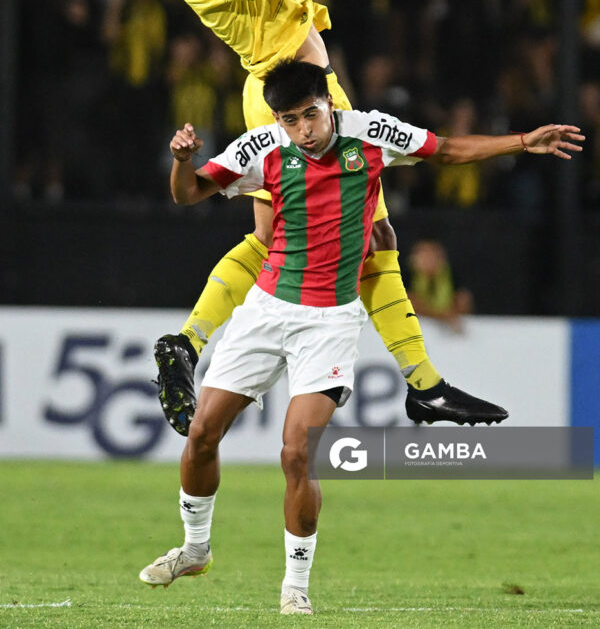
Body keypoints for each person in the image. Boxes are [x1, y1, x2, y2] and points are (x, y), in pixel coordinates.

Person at [139, 59, 583, 613]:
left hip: (329, 323)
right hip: (266, 311)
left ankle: (295, 587)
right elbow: (188, 194)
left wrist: (522, 142)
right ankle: (195, 548)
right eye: (290, 119)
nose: (303, 129)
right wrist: (182, 164)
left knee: (297, 452)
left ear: (330, 103)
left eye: (310, 114)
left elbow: (445, 150)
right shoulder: (261, 147)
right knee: (202, 433)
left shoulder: (370, 132)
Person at [138, 0, 490, 435]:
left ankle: (188, 339)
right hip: (297, 100)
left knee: (277, 236)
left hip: (286, 89)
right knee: (373, 234)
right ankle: (425, 386)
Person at [406, 238, 473, 334]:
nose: (428, 260)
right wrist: (443, 315)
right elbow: (409, 304)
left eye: (432, 256)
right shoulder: (405, 276)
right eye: (424, 256)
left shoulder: (451, 275)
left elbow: (463, 302)